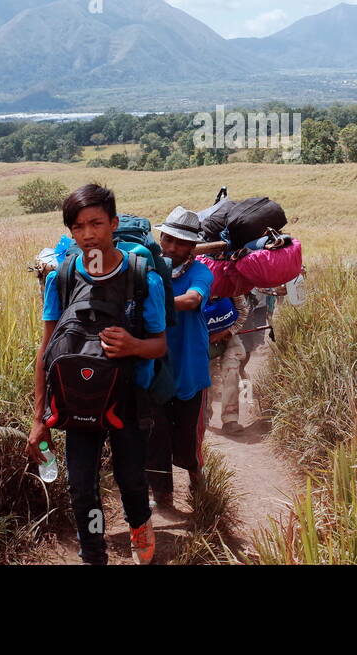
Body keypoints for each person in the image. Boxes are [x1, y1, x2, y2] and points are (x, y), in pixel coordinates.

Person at [26, 184, 168, 565]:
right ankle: (94, 554)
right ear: (70, 231)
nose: (88, 233)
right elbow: (46, 349)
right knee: (82, 489)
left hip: (129, 398)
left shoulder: (143, 278)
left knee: (132, 479)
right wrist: (39, 419)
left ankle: (141, 530)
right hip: (78, 400)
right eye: (78, 226)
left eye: (96, 223)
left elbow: (160, 345)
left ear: (114, 224)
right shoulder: (63, 278)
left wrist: (134, 346)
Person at [144, 206, 215, 511]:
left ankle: (198, 483)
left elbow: (193, 299)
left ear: (192, 248)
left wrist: (152, 302)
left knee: (188, 436)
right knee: (155, 433)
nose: (172, 247)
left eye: (180, 242)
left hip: (189, 367)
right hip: (155, 368)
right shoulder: (147, 269)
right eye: (168, 239)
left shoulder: (201, 272)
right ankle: (162, 495)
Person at [209, 291, 270, 434]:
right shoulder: (194, 281)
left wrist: (227, 332)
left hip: (228, 337)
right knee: (204, 375)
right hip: (200, 336)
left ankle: (230, 420)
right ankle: (203, 417)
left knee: (232, 371)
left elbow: (243, 311)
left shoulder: (229, 286)